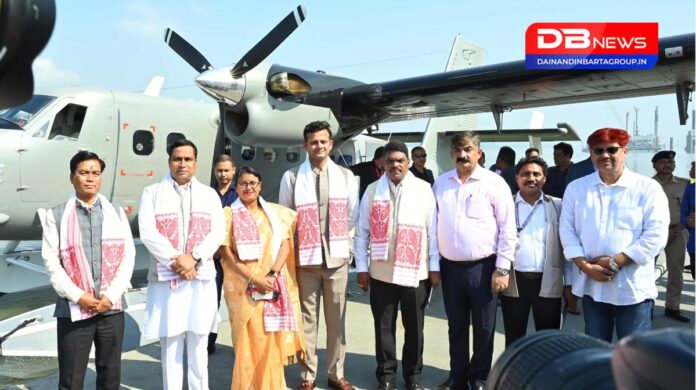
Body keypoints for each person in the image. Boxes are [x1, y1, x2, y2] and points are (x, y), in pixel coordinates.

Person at [559, 128, 669, 343]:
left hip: (631, 288)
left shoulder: (647, 188)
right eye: (598, 150)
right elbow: (567, 231)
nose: (605, 155)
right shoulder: (577, 188)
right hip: (593, 285)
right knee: (597, 350)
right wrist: (585, 266)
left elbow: (655, 235)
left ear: (625, 151)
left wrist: (615, 262)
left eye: (612, 149)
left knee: (634, 355)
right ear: (591, 153)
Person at [38, 151, 135, 390]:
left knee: (110, 375)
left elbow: (128, 256)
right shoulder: (55, 216)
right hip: (73, 309)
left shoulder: (116, 213)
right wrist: (80, 297)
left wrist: (110, 296)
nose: (90, 178)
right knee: (71, 378)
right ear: (72, 177)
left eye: (95, 173)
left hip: (110, 309)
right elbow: (51, 262)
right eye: (83, 173)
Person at [139, 139, 226, 389]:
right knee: (171, 342)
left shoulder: (209, 195)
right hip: (168, 279)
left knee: (199, 341)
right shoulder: (152, 193)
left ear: (196, 163)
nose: (182, 164)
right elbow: (147, 231)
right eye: (177, 159)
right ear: (169, 161)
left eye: (188, 159)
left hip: (200, 278)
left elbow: (217, 231)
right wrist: (177, 261)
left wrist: (194, 257)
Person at [434, 132, 517, 390]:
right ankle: (457, 376)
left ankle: (479, 379)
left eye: (468, 149)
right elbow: (432, 228)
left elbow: (508, 229)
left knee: (484, 329)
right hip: (450, 269)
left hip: (484, 268)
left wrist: (502, 268)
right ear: (451, 154)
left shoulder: (494, 183)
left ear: (478, 152)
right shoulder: (441, 183)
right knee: (456, 325)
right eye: (458, 150)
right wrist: (434, 267)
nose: (463, 155)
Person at [279, 121, 359, 390]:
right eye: (314, 141)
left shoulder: (346, 177)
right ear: (305, 145)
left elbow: (352, 217)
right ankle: (307, 375)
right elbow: (285, 220)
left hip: (336, 259)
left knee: (337, 321)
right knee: (307, 320)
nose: (319, 146)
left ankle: (337, 374)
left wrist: (347, 249)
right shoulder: (291, 177)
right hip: (306, 261)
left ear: (331, 144)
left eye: (324, 141)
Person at [355, 141, 440, 390]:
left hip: (415, 273)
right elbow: (361, 232)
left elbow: (433, 231)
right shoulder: (372, 190)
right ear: (383, 163)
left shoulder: (424, 189)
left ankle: (413, 377)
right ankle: (387, 376)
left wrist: (434, 267)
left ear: (409, 163)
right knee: (383, 329)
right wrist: (361, 268)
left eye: (400, 160)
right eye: (390, 161)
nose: (395, 165)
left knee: (414, 328)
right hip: (381, 272)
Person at [219, 166, 305, 389]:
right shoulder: (228, 214)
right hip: (242, 286)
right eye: (243, 183)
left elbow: (286, 244)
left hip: (271, 285)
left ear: (260, 187)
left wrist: (273, 274)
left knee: (269, 336)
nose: (248, 187)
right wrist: (253, 277)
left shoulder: (275, 214)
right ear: (236, 188)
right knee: (247, 338)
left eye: (252, 183)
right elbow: (226, 252)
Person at [500, 156, 571, 346]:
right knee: (514, 338)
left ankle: (547, 375)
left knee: (549, 339)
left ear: (544, 178)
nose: (531, 178)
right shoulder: (505, 205)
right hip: (514, 281)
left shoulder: (558, 206)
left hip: (548, 280)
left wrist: (570, 283)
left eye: (536, 174)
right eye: (525, 174)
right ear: (517, 178)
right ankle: (514, 375)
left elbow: (568, 246)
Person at [651, 150, 690, 323]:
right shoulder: (646, 184)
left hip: (678, 231)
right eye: (663, 162)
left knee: (676, 271)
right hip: (651, 233)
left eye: (670, 162)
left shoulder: (686, 184)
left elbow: (692, 210)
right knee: (645, 271)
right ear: (655, 165)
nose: (667, 164)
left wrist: (678, 228)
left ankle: (672, 307)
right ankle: (646, 306)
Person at [209, 154, 239, 353]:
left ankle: (240, 343)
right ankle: (208, 342)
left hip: (234, 258)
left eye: (226, 170)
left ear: (233, 171)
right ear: (214, 171)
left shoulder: (239, 195)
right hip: (211, 258)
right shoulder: (207, 194)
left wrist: (225, 248)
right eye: (219, 170)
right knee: (211, 302)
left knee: (237, 303)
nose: (223, 174)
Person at [680, 161, 695, 281]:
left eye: (694, 168)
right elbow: (683, 214)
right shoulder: (691, 187)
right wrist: (688, 221)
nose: (691, 171)